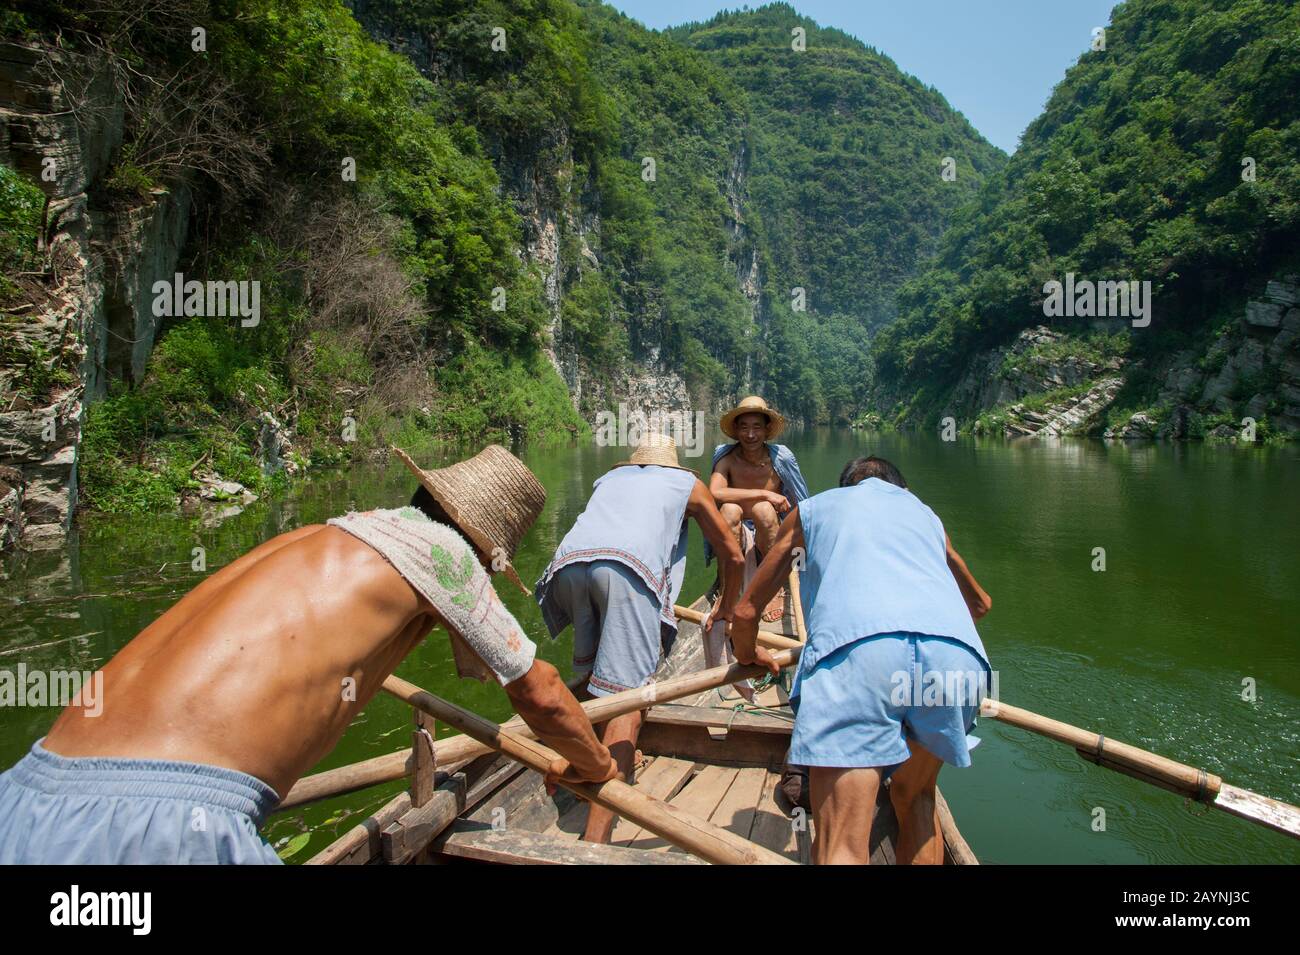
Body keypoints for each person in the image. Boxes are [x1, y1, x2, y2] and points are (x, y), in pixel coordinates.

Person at [0, 445, 617, 864]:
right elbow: (538, 691)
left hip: (29, 794)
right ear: (486, 552)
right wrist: (594, 766)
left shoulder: (336, 529)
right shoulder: (445, 557)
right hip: (165, 818)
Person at [728, 455, 993, 865]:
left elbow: (745, 613)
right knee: (916, 797)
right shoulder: (925, 514)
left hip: (860, 655)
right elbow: (980, 604)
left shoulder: (817, 508)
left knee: (841, 845)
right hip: (958, 659)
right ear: (901, 488)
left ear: (847, 486)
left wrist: (749, 654)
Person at [535, 432, 744, 844]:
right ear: (675, 465)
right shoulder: (688, 484)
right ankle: (596, 842)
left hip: (568, 569)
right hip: (625, 573)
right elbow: (733, 554)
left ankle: (579, 761)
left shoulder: (610, 480)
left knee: (600, 678)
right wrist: (727, 608)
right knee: (628, 701)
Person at [707, 396, 809, 622]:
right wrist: (764, 493)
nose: (750, 435)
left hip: (772, 529)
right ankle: (727, 591)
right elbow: (715, 492)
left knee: (764, 510)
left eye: (756, 427)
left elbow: (799, 503)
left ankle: (773, 587)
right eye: (744, 427)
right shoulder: (727, 456)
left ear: (766, 429)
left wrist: (800, 546)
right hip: (738, 531)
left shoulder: (781, 458)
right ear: (736, 430)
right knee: (730, 510)